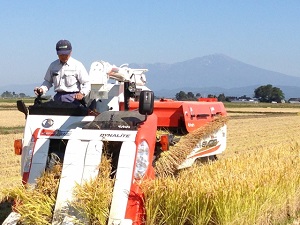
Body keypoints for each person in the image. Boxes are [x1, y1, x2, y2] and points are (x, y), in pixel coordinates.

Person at [34, 39, 90, 105]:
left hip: (73, 99)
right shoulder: (53, 65)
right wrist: (41, 89)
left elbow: (87, 83)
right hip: (58, 98)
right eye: (61, 54)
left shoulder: (77, 65)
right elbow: (48, 81)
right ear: (57, 53)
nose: (63, 56)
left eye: (66, 54)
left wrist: (82, 93)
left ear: (71, 52)